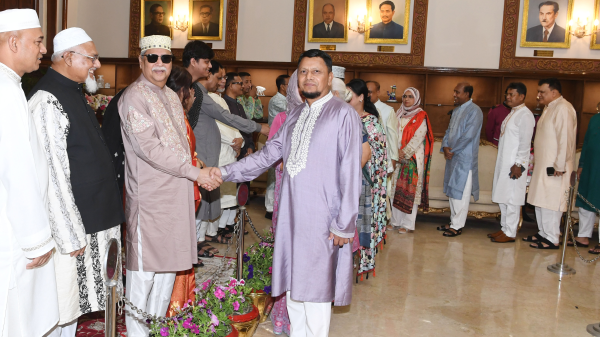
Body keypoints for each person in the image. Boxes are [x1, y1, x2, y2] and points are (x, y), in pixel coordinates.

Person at [210, 49, 361, 336]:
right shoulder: (294, 116)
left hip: (323, 221)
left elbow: (351, 172)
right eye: (303, 71)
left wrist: (344, 224)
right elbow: (267, 156)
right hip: (291, 219)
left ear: (329, 77)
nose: (309, 77)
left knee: (315, 294)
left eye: (316, 71)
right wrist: (223, 172)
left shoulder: (343, 115)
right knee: (293, 289)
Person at [119, 35, 220, 337]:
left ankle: (156, 331)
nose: (160, 64)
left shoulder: (171, 97)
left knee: (166, 277)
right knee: (144, 276)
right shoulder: (134, 97)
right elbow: (150, 150)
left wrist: (198, 169)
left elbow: (180, 147)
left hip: (176, 200)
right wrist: (194, 173)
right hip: (151, 203)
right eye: (153, 58)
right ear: (141, 61)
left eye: (165, 58)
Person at [27, 27, 125, 336]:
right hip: (72, 232)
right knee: (61, 309)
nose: (96, 64)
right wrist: (70, 237)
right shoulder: (47, 100)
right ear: (68, 57)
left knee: (73, 310)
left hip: (92, 220)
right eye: (91, 58)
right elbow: (52, 175)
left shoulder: (72, 89)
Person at [0, 9, 59, 337]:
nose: (42, 49)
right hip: (12, 232)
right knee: (16, 319)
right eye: (37, 41)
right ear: (13, 42)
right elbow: (17, 170)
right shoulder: (6, 92)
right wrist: (37, 240)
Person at [182, 41, 268, 257]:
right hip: (189, 157)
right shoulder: (191, 89)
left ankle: (194, 245)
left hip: (198, 157)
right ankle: (190, 247)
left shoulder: (198, 91)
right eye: (207, 63)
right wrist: (260, 127)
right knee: (192, 205)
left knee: (202, 204)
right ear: (194, 62)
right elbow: (225, 117)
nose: (209, 67)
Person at [164, 65, 203, 315]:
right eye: (190, 90)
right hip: (179, 189)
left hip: (182, 184)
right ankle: (175, 304)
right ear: (183, 92)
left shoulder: (171, 114)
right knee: (175, 248)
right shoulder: (178, 118)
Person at [267, 70, 302, 336]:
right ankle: (283, 313)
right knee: (287, 247)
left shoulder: (328, 116)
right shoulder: (282, 118)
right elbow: (271, 155)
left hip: (314, 198)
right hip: (287, 190)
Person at [525, 78, 576, 249]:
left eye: (542, 92)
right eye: (538, 91)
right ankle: (543, 233)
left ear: (554, 93)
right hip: (543, 164)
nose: (538, 95)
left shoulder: (563, 108)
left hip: (555, 167)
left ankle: (552, 237)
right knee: (541, 199)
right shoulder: (549, 108)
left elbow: (565, 139)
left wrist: (559, 166)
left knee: (551, 201)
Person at [347, 79, 387, 278]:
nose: (346, 98)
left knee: (360, 225)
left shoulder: (370, 123)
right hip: (345, 180)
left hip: (363, 182)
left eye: (349, 94)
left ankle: (358, 260)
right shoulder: (344, 117)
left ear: (361, 97)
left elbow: (376, 156)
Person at [489, 83, 535, 243]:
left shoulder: (525, 115)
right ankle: (504, 228)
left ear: (522, 97)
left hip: (514, 166)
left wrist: (519, 164)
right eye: (507, 94)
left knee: (512, 198)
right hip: (504, 162)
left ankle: (510, 232)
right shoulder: (513, 113)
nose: (508, 97)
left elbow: (525, 143)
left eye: (512, 94)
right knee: (503, 196)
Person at [201, 60, 240, 244]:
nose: (223, 81)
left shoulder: (219, 97)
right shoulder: (207, 97)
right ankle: (209, 233)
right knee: (216, 195)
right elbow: (218, 126)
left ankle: (218, 229)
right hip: (221, 149)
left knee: (226, 195)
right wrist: (235, 141)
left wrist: (238, 138)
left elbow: (231, 122)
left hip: (229, 149)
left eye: (225, 77)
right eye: (220, 77)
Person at [438, 82, 483, 237]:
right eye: (454, 91)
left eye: (457, 92)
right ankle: (453, 221)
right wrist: (445, 147)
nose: (454, 95)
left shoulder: (475, 111)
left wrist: (453, 150)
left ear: (467, 94)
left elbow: (468, 136)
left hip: (464, 159)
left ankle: (457, 226)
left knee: (461, 193)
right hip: (452, 157)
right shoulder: (457, 111)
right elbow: (448, 131)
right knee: (452, 191)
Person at [391, 87, 434, 234]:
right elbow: (392, 134)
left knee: (409, 190)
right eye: (404, 96)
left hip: (413, 158)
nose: (406, 99)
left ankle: (408, 224)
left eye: (410, 96)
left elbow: (419, 137)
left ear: (416, 99)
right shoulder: (398, 114)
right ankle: (395, 221)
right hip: (397, 157)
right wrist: (395, 152)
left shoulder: (421, 115)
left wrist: (405, 153)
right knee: (396, 188)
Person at [366, 81, 399, 195]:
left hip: (382, 159)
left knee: (380, 194)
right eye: (366, 92)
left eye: (370, 92)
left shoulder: (387, 110)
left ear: (378, 92)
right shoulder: (361, 109)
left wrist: (393, 161)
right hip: (366, 159)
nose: (368, 95)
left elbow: (393, 136)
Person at [574, 112, 600, 253]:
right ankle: (583, 236)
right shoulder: (595, 118)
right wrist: (582, 164)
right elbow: (587, 143)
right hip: (590, 166)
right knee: (585, 198)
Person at [266, 74, 290, 219]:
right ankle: (269, 207)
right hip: (275, 140)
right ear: (282, 86)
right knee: (273, 177)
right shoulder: (277, 100)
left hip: (282, 141)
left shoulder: (285, 99)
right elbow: (291, 110)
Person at [224, 72, 256, 160]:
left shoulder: (239, 106)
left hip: (244, 152)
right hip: (231, 151)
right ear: (230, 85)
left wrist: (250, 146)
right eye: (240, 83)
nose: (242, 86)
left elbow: (246, 127)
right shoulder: (224, 105)